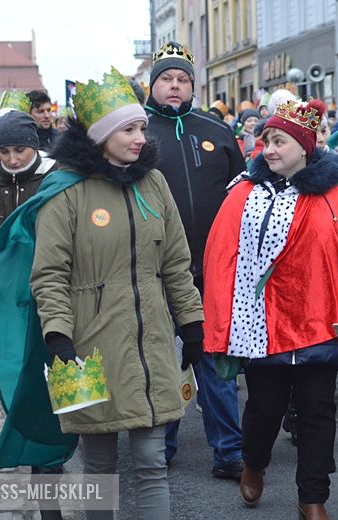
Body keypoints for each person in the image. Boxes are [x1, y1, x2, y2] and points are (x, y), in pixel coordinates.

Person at [30, 67, 203, 520]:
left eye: (142, 128)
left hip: (152, 345)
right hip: (89, 348)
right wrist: (57, 335)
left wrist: (192, 321)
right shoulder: (64, 191)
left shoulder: (154, 183)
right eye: (129, 129)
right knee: (100, 467)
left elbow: (176, 263)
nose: (140, 138)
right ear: (101, 135)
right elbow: (49, 274)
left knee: (152, 463)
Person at [203, 98, 338, 519]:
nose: (270, 149)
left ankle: (313, 496)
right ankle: (254, 462)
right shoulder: (244, 193)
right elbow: (221, 257)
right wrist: (221, 321)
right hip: (262, 325)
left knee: (317, 412)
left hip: (318, 323)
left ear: (304, 147)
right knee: (263, 409)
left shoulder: (334, 198)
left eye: (279, 141)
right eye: (267, 141)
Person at [144, 41, 246, 479]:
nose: (174, 85)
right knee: (162, 361)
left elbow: (241, 194)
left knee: (215, 361)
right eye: (166, 78)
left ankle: (229, 452)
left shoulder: (216, 131)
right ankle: (160, 448)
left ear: (192, 86)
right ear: (152, 85)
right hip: (155, 269)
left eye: (182, 79)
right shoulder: (138, 132)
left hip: (214, 269)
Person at [0, 111, 56, 339]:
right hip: (4, 290)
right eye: (4, 152)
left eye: (19, 150)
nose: (12, 160)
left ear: (33, 145)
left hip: (47, 288)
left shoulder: (54, 178)